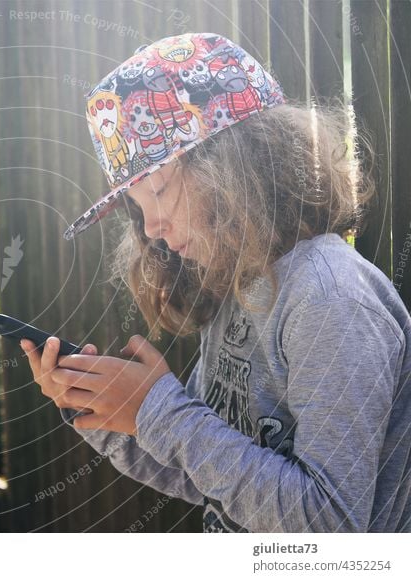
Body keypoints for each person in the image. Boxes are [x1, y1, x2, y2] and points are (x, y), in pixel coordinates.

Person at [20, 32, 411, 532]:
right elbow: (213, 473)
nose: (153, 230)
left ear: (233, 165)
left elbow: (328, 527)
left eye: (158, 191)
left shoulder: (330, 299)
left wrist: (160, 412)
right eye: (138, 210)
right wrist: (105, 408)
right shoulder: (242, 285)